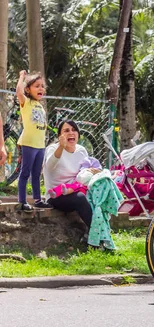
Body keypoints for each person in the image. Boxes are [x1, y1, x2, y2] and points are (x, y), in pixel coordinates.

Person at [43, 120, 95, 241]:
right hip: (56, 196)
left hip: (76, 190)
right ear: (59, 136)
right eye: (66, 131)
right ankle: (99, 236)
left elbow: (84, 172)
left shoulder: (81, 151)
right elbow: (50, 166)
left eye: (74, 130)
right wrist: (61, 147)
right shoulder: (52, 149)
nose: (71, 133)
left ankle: (92, 233)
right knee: (80, 198)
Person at [16, 70, 52, 211]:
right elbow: (19, 92)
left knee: (36, 173)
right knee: (25, 172)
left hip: (39, 145)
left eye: (42, 86)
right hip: (28, 143)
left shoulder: (40, 106)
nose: (41, 89)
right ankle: (22, 201)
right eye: (37, 86)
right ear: (28, 89)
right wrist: (21, 77)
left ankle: (38, 199)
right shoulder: (26, 102)